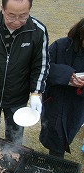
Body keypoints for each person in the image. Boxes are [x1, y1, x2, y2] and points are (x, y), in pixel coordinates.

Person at [0, 0, 50, 146]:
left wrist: (36, 93)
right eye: (11, 15)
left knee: (14, 137)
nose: (17, 21)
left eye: (23, 15)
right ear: (2, 9)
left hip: (18, 94)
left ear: (30, 10)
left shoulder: (38, 31)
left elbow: (41, 64)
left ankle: (11, 163)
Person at [40, 18, 84, 159]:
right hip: (55, 99)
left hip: (77, 103)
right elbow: (44, 68)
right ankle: (55, 160)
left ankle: (56, 162)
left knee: (68, 130)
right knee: (54, 133)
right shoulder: (61, 45)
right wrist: (66, 75)